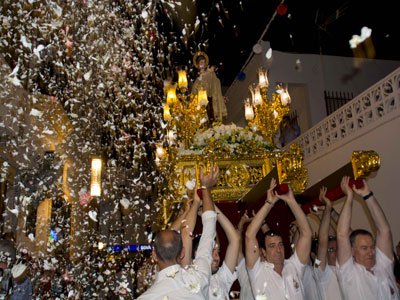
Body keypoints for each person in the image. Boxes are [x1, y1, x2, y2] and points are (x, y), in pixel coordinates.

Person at [137, 164, 219, 299]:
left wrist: (188, 210)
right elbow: (209, 228)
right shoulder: (197, 280)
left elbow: (174, 236)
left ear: (154, 255)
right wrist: (205, 188)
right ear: (182, 252)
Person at [245, 178, 312, 299]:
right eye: (272, 246)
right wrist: (269, 203)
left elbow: (306, 234)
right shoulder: (258, 272)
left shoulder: (293, 266)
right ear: (263, 252)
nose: (278, 249)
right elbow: (249, 236)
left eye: (280, 244)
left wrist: (292, 202)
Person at [337, 176, 399, 300]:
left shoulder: (382, 265)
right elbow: (342, 234)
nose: (371, 252)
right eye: (364, 248)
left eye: (372, 247)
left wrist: (367, 195)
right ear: (353, 251)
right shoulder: (349, 274)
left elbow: (384, 230)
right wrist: (349, 197)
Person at [314, 186, 343, 300]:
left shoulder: (346, 267)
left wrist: (328, 213)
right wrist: (328, 207)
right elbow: (323, 242)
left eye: (337, 249)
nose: (335, 252)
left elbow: (342, 235)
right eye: (331, 250)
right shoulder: (320, 271)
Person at [191, 51, 227, 125]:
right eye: (201, 62)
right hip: (202, 100)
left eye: (204, 62)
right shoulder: (198, 78)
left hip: (211, 98)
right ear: (197, 65)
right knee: (206, 117)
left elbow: (216, 83)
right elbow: (194, 91)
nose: (202, 64)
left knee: (213, 114)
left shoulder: (210, 74)